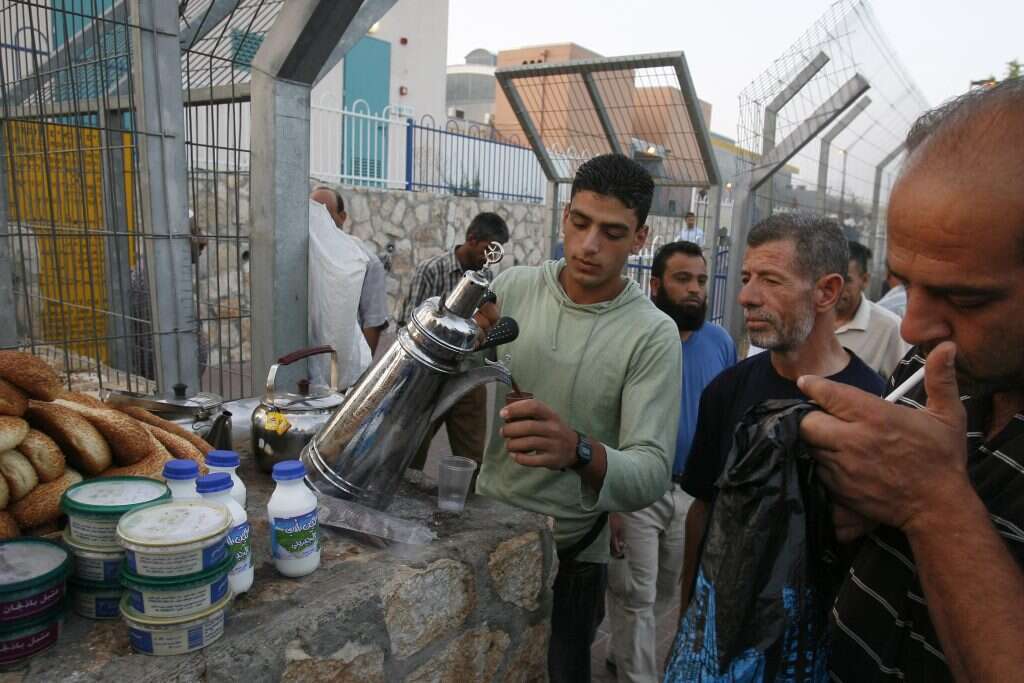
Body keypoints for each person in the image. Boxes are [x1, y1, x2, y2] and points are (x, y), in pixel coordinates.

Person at [799, 77, 1024, 682]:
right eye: (902, 282)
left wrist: (934, 505)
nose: (916, 325)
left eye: (964, 298)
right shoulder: (942, 369)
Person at [478, 154, 682, 683]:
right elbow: (451, 372)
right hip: (484, 530)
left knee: (561, 670)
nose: (590, 245)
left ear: (641, 238)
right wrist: (463, 344)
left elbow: (653, 469)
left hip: (573, 554)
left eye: (613, 232)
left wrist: (579, 451)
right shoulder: (515, 287)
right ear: (565, 217)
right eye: (581, 223)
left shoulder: (651, 333)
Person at [674, 214, 885, 619]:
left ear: (827, 291)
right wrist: (687, 617)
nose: (746, 297)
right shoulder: (726, 390)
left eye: (771, 281)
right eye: (746, 277)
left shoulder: (870, 403)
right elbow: (703, 510)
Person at [605, 240, 736, 683]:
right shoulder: (631, 336)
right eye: (683, 279)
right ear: (656, 285)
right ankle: (635, 672)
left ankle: (621, 650)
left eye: (700, 280)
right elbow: (607, 415)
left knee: (666, 589)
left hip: (694, 494)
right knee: (635, 596)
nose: (695, 289)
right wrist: (613, 502)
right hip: (638, 489)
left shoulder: (721, 343)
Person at [404, 212, 510, 471]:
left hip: (468, 380)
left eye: (496, 251)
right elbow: (409, 325)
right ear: (472, 239)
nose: (489, 257)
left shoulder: (488, 280)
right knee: (409, 453)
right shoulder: (432, 270)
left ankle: (467, 506)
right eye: (488, 248)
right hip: (428, 382)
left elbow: (487, 327)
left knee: (473, 460)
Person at [309, 187, 389, 354]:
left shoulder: (366, 261)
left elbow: (373, 323)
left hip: (342, 363)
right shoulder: (303, 255)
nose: (319, 221)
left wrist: (359, 375)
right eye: (313, 214)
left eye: (326, 215)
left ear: (342, 217)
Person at [834, 240, 908, 378]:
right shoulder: (808, 319)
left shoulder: (889, 327)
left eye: (847, 280)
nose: (836, 288)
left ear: (865, 280)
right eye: (831, 279)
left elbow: (903, 387)